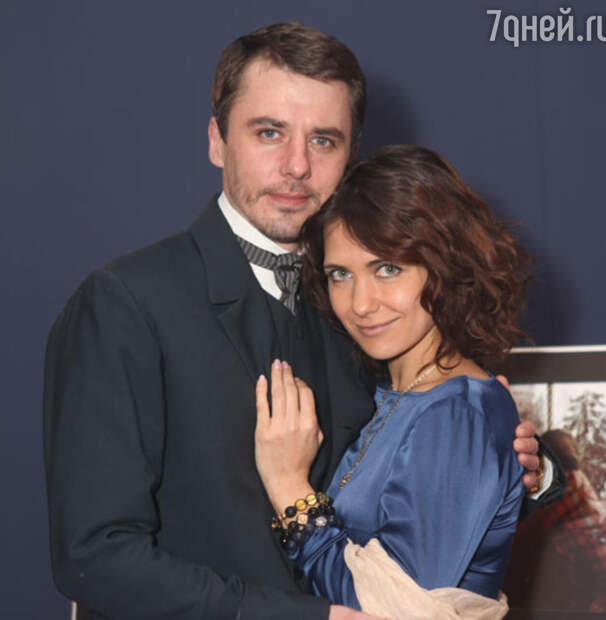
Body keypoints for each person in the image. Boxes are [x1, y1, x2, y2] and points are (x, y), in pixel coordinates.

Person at [44, 22, 548, 620]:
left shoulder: (365, 306)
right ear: (217, 140)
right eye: (269, 132)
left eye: (324, 140)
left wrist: (521, 467)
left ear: (351, 156)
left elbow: (411, 492)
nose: (297, 166)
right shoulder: (125, 304)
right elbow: (96, 557)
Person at [255, 145, 536, 616]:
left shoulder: (455, 413)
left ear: (446, 268)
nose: (361, 303)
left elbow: (390, 609)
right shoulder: (394, 395)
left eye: (388, 269)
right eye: (340, 274)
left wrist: (289, 487)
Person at [504, 429, 606, 612]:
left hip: (595, 601)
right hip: (605, 590)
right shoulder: (578, 481)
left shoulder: (560, 487)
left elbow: (522, 534)